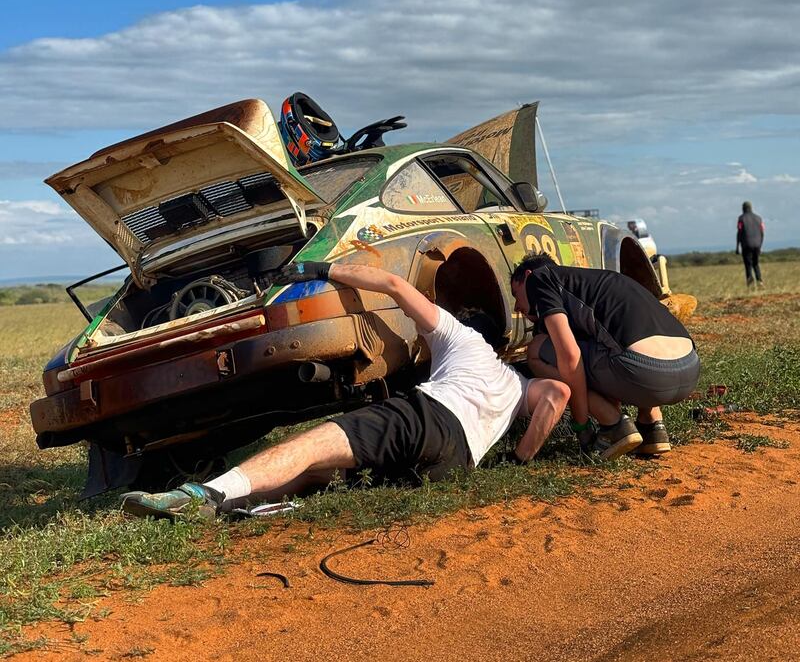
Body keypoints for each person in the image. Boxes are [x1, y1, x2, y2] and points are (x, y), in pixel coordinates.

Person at [122, 262, 571, 521]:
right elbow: (557, 397)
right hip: (455, 463)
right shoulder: (517, 383)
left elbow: (395, 286)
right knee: (323, 473)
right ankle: (239, 508)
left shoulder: (460, 336)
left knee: (310, 444)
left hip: (429, 416)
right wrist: (519, 458)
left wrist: (319, 269)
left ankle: (204, 495)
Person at [510, 256, 700, 461]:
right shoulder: (603, 282)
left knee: (537, 350)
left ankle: (613, 425)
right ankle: (651, 425)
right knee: (616, 338)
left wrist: (581, 426)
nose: (516, 307)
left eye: (515, 294)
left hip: (646, 374)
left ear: (527, 276)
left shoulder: (541, 278)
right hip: (690, 368)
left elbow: (570, 357)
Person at [736, 201, 765, 288]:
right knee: (756, 263)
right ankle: (760, 281)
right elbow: (762, 232)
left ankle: (750, 282)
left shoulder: (741, 218)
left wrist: (737, 246)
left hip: (746, 244)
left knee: (748, 264)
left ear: (743, 208)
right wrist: (760, 245)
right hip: (757, 245)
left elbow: (739, 232)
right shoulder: (759, 218)